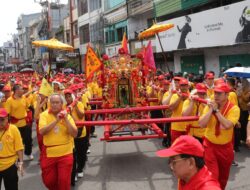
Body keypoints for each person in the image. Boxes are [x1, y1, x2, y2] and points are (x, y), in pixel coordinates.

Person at [199, 83, 240, 190]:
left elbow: (227, 125)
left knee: (223, 178)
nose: (216, 95)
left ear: (226, 95)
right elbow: (202, 124)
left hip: (225, 148)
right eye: (215, 92)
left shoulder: (234, 108)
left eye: (219, 93)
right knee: (213, 175)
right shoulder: (210, 105)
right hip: (210, 145)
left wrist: (216, 111)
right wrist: (210, 110)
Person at [39, 94, 78, 190]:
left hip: (66, 153)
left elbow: (74, 134)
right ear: (49, 103)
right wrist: (56, 121)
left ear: (61, 104)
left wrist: (65, 120)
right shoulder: (44, 115)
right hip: (49, 154)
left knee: (64, 182)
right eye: (52, 102)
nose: (54, 105)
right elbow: (42, 131)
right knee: (49, 181)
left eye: (57, 103)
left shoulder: (67, 116)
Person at [156, 135, 221, 190]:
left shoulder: (209, 188)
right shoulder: (185, 178)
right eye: (169, 161)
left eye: (173, 161)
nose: (171, 166)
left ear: (191, 163)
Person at [64, 90, 88, 185]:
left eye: (69, 96)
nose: (68, 98)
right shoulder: (64, 107)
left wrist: (75, 106)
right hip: (70, 133)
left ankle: (80, 168)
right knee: (73, 155)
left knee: (81, 153)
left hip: (81, 132)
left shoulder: (79, 103)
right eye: (66, 97)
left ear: (72, 97)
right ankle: (73, 174)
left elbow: (81, 115)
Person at [5, 84, 33, 161]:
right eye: (21, 89)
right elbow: (7, 113)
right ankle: (17, 157)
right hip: (15, 125)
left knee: (28, 139)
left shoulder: (23, 97)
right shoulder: (9, 100)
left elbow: (28, 106)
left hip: (25, 122)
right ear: (16, 91)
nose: (23, 90)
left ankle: (28, 153)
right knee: (17, 141)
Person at [0, 108, 24, 190]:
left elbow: (19, 147)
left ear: (7, 118)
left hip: (10, 165)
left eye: (2, 120)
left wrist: (21, 162)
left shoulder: (13, 129)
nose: (0, 122)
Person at [169, 78, 189, 144]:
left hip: (188, 128)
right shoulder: (175, 96)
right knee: (176, 149)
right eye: (182, 85)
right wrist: (180, 98)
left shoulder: (191, 96)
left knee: (187, 150)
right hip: (176, 127)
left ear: (188, 86)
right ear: (179, 86)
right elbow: (171, 108)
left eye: (185, 85)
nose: (184, 87)